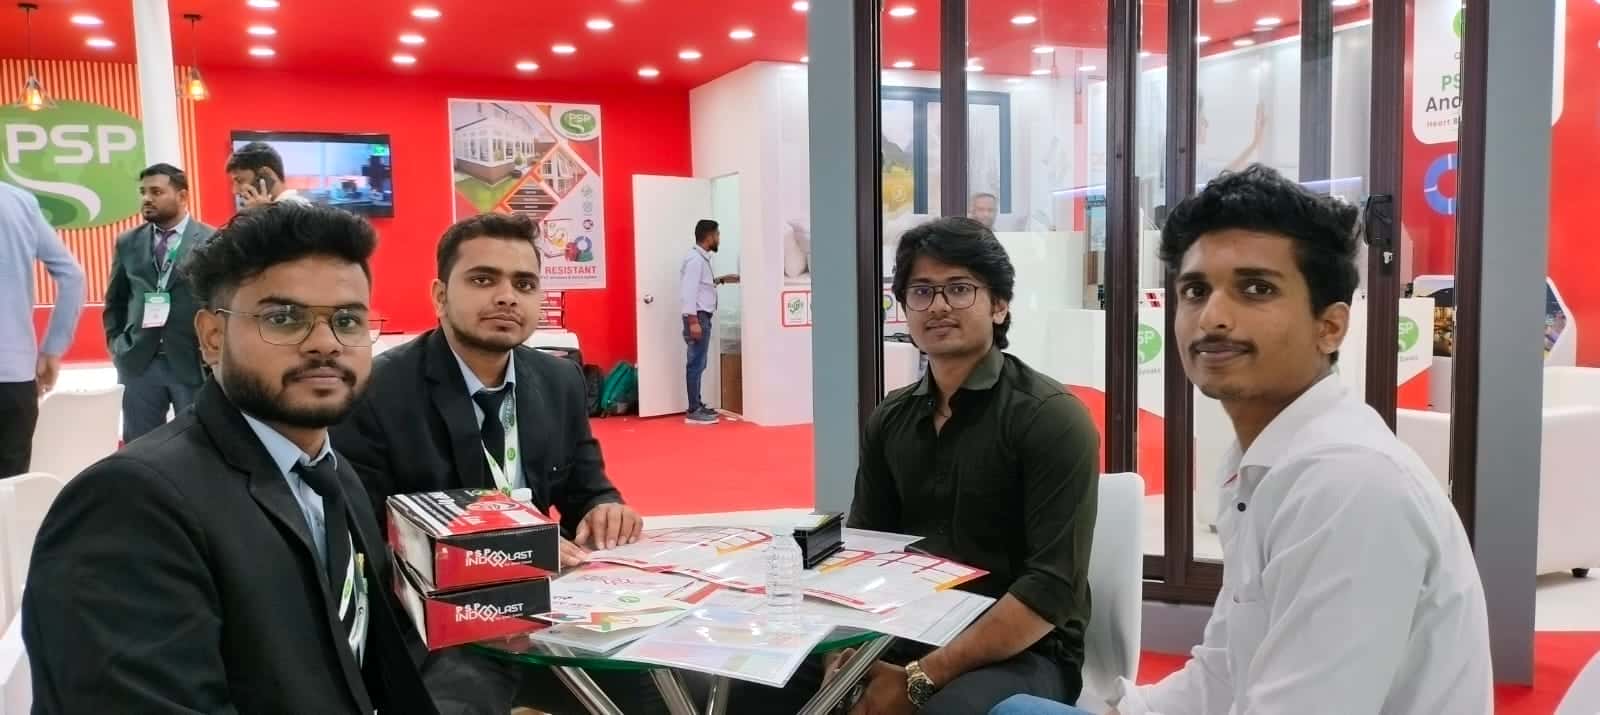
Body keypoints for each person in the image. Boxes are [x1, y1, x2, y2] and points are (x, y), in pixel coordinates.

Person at [991, 166, 1493, 715]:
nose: (1213, 317)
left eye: (1257, 289)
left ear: (1330, 326)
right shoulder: (1262, 461)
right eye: (1195, 290)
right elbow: (1226, 670)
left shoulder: (1350, 484)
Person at [22, 203, 436, 713]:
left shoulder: (330, 475)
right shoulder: (130, 503)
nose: (325, 344)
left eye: (347, 320)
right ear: (212, 338)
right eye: (283, 319)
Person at [735, 217, 1098, 715]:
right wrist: (842, 649)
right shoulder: (891, 418)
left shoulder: (1050, 418)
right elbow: (863, 549)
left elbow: (1050, 590)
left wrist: (920, 679)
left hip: (1022, 650)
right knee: (758, 682)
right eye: (922, 292)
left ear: (999, 304)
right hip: (907, 632)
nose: (939, 306)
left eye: (960, 289)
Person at [331, 212, 656, 715]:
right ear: (440, 295)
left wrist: (604, 508)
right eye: (483, 280)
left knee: (662, 685)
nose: (507, 297)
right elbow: (368, 544)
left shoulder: (558, 381)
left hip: (552, 605)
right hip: (441, 628)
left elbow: (585, 487)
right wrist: (495, 560)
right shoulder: (376, 392)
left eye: (523, 284)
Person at [104, 163, 217, 442]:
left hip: (193, 362)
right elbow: (116, 300)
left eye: (156, 192)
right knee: (139, 447)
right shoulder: (128, 242)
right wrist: (118, 346)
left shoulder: (211, 240)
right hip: (139, 362)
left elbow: (219, 302)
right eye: (143, 192)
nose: (147, 198)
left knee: (199, 445)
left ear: (182, 196)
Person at [0, 182, 84, 477]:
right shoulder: (20, 202)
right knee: (11, 490)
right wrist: (52, 349)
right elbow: (73, 276)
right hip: (14, 379)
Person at [679, 218, 738, 424]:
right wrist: (693, 321)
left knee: (699, 362)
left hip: (701, 317)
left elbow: (701, 286)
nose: (719, 238)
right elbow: (689, 292)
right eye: (717, 235)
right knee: (696, 363)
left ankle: (697, 403)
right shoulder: (695, 260)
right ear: (709, 236)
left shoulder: (700, 259)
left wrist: (720, 280)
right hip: (698, 317)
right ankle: (694, 410)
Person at [227, 140, 310, 209]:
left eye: (240, 181)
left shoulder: (296, 211)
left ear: (265, 175)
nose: (235, 191)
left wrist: (259, 214)